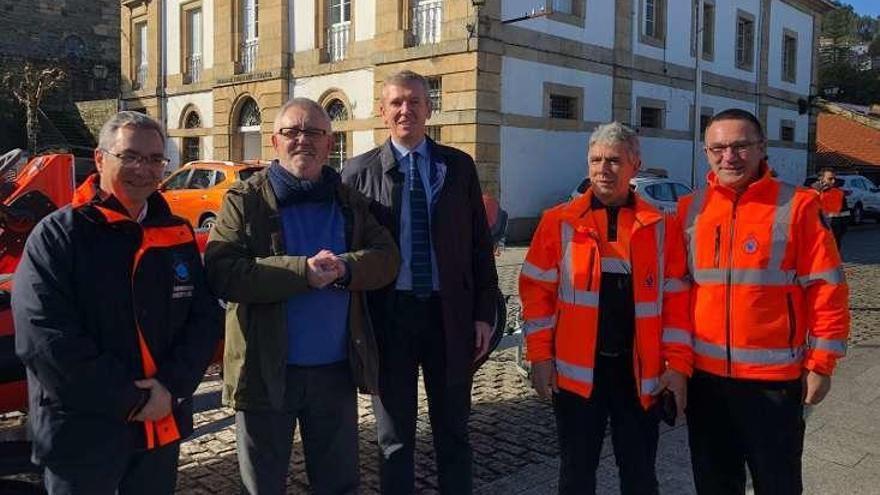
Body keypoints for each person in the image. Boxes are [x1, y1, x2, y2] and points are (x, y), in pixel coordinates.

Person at [13, 111, 222, 495]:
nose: (143, 169)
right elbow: (45, 339)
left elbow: (205, 318)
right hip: (83, 434)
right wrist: (133, 399)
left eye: (155, 159)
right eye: (130, 156)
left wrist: (171, 388)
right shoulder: (59, 236)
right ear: (99, 158)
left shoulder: (174, 233)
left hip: (158, 427)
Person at [204, 97, 400, 495]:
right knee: (262, 485)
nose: (302, 141)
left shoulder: (349, 201)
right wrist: (302, 274)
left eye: (313, 132)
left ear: (330, 143)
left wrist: (345, 267)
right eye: (292, 132)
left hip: (334, 373)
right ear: (274, 141)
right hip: (264, 371)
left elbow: (387, 259)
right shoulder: (245, 200)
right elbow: (223, 272)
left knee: (339, 483)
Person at [342, 70, 499, 495]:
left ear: (429, 109)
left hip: (449, 315)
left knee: (454, 431)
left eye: (414, 101)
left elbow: (479, 247)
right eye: (396, 103)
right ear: (382, 111)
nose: (405, 110)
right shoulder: (357, 173)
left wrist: (485, 312)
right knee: (394, 439)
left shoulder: (458, 167)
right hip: (389, 317)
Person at [679, 108, 850, 495]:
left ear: (761, 148)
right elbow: (678, 290)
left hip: (773, 384)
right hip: (706, 382)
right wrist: (676, 363)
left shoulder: (799, 206)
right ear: (706, 152)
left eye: (740, 146)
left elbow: (827, 288)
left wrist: (821, 364)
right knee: (714, 484)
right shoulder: (691, 210)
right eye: (718, 147)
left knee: (779, 484)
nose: (729, 157)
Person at [519, 122, 693, 495]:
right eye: (596, 159)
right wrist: (540, 357)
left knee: (640, 474)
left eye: (614, 160)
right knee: (576, 474)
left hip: (639, 377)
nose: (603, 169)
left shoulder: (661, 226)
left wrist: (677, 365)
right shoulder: (558, 222)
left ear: (635, 166)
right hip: (579, 376)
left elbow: (677, 303)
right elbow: (536, 295)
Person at [811, 168, 848, 250]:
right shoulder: (812, 193)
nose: (833, 181)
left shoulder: (839, 193)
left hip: (835, 231)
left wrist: (841, 229)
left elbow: (845, 212)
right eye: (830, 179)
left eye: (834, 178)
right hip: (817, 233)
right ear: (821, 178)